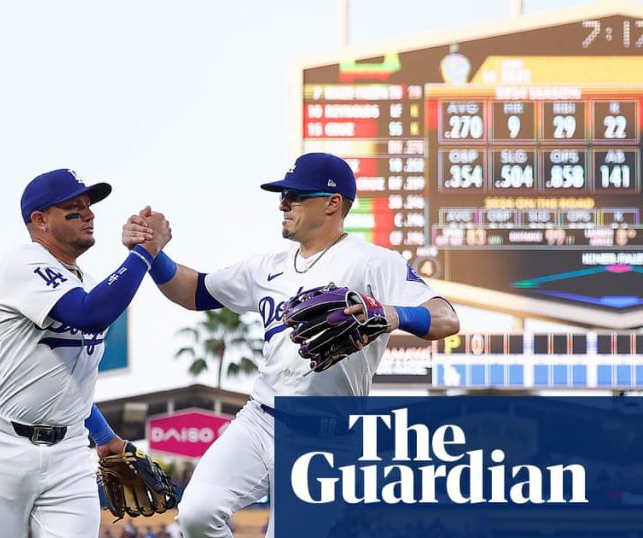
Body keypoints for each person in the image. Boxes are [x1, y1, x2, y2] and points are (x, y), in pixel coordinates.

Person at [123, 152, 461, 537]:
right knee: (198, 514)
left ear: (333, 203)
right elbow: (195, 290)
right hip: (260, 420)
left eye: (296, 196)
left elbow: (446, 318)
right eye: (283, 195)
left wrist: (392, 313)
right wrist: (151, 254)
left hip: (327, 439)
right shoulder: (267, 267)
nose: (283, 203)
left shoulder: (371, 262)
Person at [0, 168, 171, 537]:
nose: (89, 214)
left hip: (68, 453)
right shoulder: (22, 262)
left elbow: (71, 385)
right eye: (74, 207)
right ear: (40, 221)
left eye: (89, 205)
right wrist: (144, 253)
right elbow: (90, 314)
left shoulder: (79, 281)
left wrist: (104, 438)